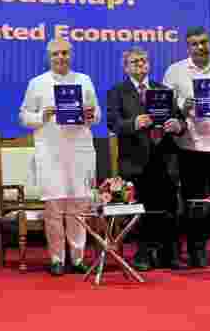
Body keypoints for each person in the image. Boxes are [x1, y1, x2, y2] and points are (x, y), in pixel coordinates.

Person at [19, 38, 100, 276]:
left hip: (79, 149)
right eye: (56, 54)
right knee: (54, 207)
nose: (61, 58)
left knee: (79, 204)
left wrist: (90, 114)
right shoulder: (37, 83)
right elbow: (24, 116)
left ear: (71, 55)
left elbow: (97, 115)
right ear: (49, 57)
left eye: (65, 53)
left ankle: (77, 258)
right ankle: (56, 258)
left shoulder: (84, 80)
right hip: (50, 151)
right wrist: (42, 116)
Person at [163, 26, 210, 268]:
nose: (200, 47)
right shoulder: (175, 71)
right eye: (195, 43)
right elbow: (165, 108)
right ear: (188, 47)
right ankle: (197, 252)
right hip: (191, 144)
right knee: (194, 202)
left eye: (204, 42)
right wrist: (182, 108)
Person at [106, 46, 186, 271]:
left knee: (169, 209)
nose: (140, 65)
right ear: (126, 67)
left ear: (149, 64)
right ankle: (142, 254)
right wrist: (133, 123)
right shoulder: (117, 91)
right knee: (141, 210)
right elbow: (112, 122)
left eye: (143, 61)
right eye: (134, 62)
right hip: (135, 161)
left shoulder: (163, 90)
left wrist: (178, 125)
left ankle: (170, 255)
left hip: (165, 158)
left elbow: (182, 123)